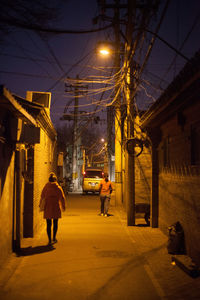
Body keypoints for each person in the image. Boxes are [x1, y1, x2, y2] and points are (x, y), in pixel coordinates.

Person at [39, 172, 66, 244]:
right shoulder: (58, 188)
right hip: (56, 206)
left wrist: (40, 205)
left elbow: (42, 196)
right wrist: (63, 206)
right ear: (55, 180)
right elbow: (62, 198)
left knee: (48, 224)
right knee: (55, 223)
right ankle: (54, 237)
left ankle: (49, 239)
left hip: (48, 207)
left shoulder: (46, 187)